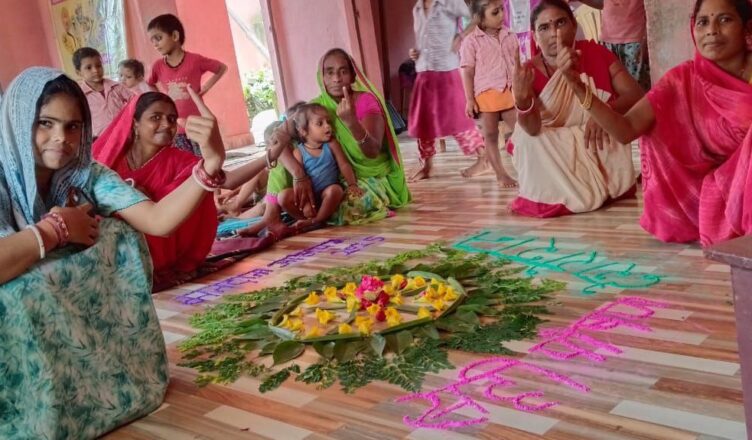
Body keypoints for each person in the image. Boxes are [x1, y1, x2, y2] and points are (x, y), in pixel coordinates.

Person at [0, 67, 227, 438]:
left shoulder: (84, 173)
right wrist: (54, 231)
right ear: (17, 119)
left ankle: (104, 386)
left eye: (73, 126)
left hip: (73, 336)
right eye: (45, 123)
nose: (61, 139)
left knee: (118, 236)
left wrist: (211, 165)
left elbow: (157, 220)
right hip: (14, 353)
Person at [572, 0, 752, 246]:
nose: (712, 30)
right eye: (703, 22)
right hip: (715, 197)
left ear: (747, 28)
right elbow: (626, 130)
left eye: (725, 19)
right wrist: (580, 91)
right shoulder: (681, 81)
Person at [93, 91, 287, 288]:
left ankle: (160, 264)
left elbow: (228, 180)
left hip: (162, 242)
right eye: (156, 117)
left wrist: (270, 155)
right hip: (114, 245)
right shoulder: (113, 158)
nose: (166, 124)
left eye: (171, 119)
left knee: (199, 185)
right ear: (135, 123)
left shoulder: (179, 159)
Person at [508, 0, 643, 218]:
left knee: (612, 125)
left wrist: (602, 114)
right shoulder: (528, 72)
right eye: (544, 27)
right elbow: (532, 129)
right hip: (552, 147)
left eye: (560, 23)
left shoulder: (596, 53)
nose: (554, 33)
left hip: (595, 138)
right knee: (527, 140)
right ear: (535, 36)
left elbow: (635, 95)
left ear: (573, 25)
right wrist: (522, 101)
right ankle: (559, 193)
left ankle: (597, 185)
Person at [265, 48, 410, 232]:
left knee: (355, 205)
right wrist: (298, 174)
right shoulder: (317, 107)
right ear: (322, 77)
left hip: (366, 176)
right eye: (330, 72)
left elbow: (372, 151)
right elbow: (275, 137)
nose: (336, 79)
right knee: (285, 153)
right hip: (326, 178)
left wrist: (352, 123)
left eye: (343, 71)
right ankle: (271, 215)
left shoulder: (365, 101)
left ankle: (312, 217)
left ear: (353, 76)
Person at [408, 0, 491, 181]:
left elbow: (478, 16)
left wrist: (461, 36)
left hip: (446, 71)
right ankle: (428, 166)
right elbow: (422, 41)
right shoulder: (417, 9)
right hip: (423, 71)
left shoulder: (449, 2)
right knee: (423, 122)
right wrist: (415, 52)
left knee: (458, 120)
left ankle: (483, 158)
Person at [146, 13, 227, 156]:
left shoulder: (195, 60)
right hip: (176, 128)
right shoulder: (157, 66)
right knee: (187, 164)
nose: (155, 44)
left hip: (197, 125)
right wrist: (161, 99)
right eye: (152, 41)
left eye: (158, 38)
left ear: (175, 36)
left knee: (204, 160)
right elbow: (150, 83)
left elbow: (221, 68)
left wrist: (206, 87)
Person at [460, 0, 519, 187]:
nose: (502, 15)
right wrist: (470, 100)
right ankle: (501, 175)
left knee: (522, 132)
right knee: (491, 136)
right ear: (480, 18)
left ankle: (526, 165)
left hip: (509, 91)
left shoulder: (510, 36)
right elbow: (467, 72)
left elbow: (517, 64)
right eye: (495, 12)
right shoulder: (471, 42)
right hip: (485, 94)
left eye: (502, 9)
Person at [280, 103, 363, 229]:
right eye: (320, 123)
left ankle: (317, 220)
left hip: (327, 193)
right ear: (303, 131)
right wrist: (306, 203)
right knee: (283, 197)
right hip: (309, 196)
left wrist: (352, 184)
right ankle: (304, 221)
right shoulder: (299, 152)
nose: (327, 126)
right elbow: (298, 183)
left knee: (335, 190)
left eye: (328, 122)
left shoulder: (331, 144)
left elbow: (344, 164)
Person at [575, 0, 651, 90]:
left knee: (637, 87)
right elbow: (602, 3)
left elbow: (652, 10)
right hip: (608, 41)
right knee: (612, 87)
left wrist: (646, 41)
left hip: (634, 42)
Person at [73, 47, 134, 137]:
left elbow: (135, 101)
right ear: (79, 72)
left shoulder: (116, 87)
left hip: (125, 135)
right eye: (89, 68)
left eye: (98, 65)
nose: (95, 70)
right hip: (100, 139)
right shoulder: (79, 96)